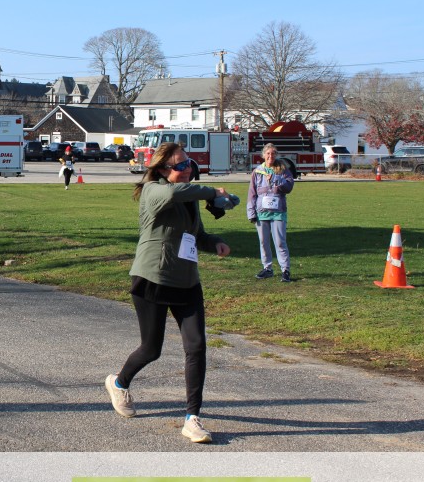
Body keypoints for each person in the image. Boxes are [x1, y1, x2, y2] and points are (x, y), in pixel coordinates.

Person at [105, 142, 231, 444]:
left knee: (196, 347)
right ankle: (119, 382)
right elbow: (174, 193)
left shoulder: (190, 198)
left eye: (189, 163)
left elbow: (196, 235)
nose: (187, 169)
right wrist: (212, 192)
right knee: (152, 349)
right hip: (153, 278)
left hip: (187, 281)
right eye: (180, 166)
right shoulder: (154, 191)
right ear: (163, 170)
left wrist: (214, 242)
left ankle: (192, 418)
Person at [246, 143, 295, 283]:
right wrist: (251, 213)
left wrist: (276, 180)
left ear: (276, 155)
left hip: (278, 212)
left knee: (280, 242)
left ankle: (285, 270)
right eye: (268, 153)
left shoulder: (283, 170)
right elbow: (252, 194)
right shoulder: (257, 171)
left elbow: (289, 186)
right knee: (263, 242)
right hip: (262, 212)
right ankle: (267, 269)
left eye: (273, 153)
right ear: (263, 155)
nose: (270, 156)